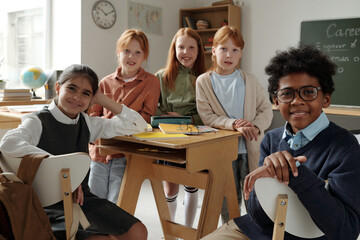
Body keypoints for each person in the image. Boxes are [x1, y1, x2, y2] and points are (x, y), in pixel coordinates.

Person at [201, 45, 360, 240]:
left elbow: (346, 231)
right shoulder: (271, 139)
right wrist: (265, 180)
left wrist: (295, 172)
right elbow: (257, 216)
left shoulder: (345, 146)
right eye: (287, 94)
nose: (296, 101)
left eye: (308, 92)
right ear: (276, 102)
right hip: (257, 232)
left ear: (325, 98)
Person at [0, 64, 148, 240]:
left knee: (138, 231)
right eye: (71, 88)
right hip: (46, 205)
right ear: (57, 88)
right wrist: (64, 169)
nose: (77, 97)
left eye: (86, 93)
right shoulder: (38, 121)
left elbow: (138, 126)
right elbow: (8, 144)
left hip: (83, 200)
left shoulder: (87, 123)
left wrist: (102, 99)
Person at [196, 25, 273, 222]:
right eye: (223, 49)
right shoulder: (204, 81)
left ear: (240, 53)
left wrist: (255, 126)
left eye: (235, 50)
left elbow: (266, 110)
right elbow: (208, 116)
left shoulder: (250, 80)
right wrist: (234, 124)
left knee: (254, 197)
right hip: (222, 152)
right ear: (213, 51)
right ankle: (231, 231)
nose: (228, 55)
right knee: (226, 199)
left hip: (251, 149)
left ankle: (256, 231)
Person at [88, 29, 160, 203]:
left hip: (126, 153)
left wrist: (109, 126)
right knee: (94, 199)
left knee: (117, 201)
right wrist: (111, 126)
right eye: (126, 51)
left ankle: (113, 231)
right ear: (118, 53)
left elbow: (145, 119)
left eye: (137, 52)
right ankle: (97, 231)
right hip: (100, 151)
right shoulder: (105, 82)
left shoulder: (151, 82)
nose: (131, 57)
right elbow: (92, 116)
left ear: (145, 56)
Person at [156, 27, 206, 228]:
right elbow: (155, 106)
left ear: (198, 51)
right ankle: (170, 232)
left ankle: (188, 230)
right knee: (170, 187)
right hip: (169, 136)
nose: (186, 52)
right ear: (174, 49)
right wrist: (166, 118)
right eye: (181, 47)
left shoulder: (205, 78)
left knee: (192, 185)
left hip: (195, 135)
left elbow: (208, 112)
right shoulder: (161, 76)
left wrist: (187, 119)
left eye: (191, 47)